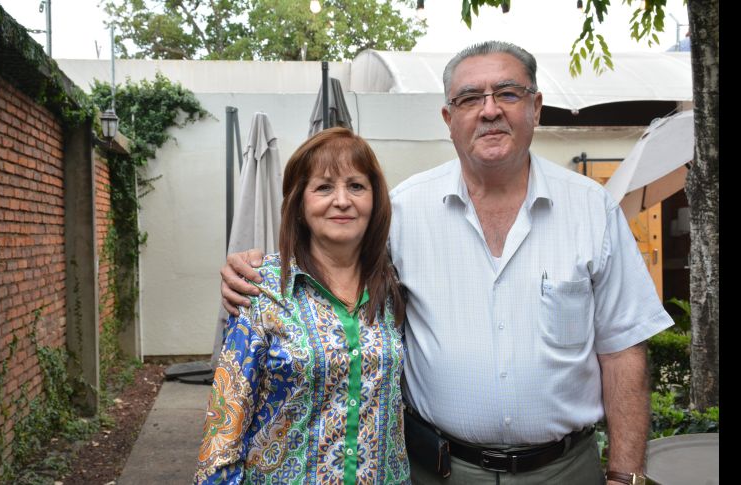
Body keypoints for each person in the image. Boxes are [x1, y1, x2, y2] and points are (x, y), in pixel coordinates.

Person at [219, 42, 673, 485]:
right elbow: (331, 265)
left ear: (536, 108)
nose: (490, 110)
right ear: (448, 118)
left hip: (565, 470)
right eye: (470, 98)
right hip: (438, 469)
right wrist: (255, 267)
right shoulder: (402, 212)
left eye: (508, 93)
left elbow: (623, 350)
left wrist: (625, 475)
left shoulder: (593, 210)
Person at [194, 127, 410, 484]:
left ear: (375, 201)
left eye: (356, 186)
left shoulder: (392, 290)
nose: (342, 200)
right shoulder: (260, 290)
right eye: (324, 187)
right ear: (299, 203)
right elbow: (223, 432)